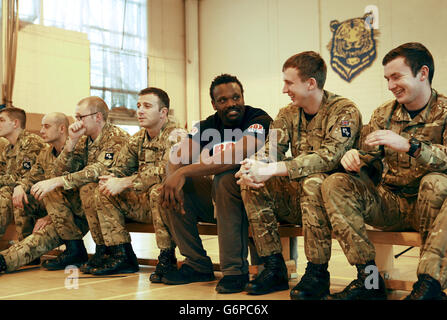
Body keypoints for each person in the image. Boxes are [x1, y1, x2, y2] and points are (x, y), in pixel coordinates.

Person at [321, 42, 447, 300]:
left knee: (435, 183)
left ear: (423, 73)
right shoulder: (383, 114)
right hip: (392, 203)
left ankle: (429, 286)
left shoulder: (444, 112)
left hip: (434, 206)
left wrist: (409, 145)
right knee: (334, 183)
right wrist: (355, 158)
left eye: (397, 76)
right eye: (387, 78)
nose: (390, 86)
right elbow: (370, 157)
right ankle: (368, 281)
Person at [236, 51, 362, 298]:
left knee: (314, 182)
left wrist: (271, 169)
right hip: (300, 197)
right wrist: (252, 167)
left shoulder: (344, 111)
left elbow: (329, 157)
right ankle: (274, 268)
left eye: (289, 82)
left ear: (310, 83)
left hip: (336, 199)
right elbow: (271, 150)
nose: (284, 89)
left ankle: (317, 273)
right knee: (252, 184)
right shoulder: (287, 114)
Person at [157, 74, 272, 294]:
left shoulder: (258, 118)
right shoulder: (207, 125)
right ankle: (197, 264)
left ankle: (234, 271)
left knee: (224, 179)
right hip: (222, 204)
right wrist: (173, 177)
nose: (231, 104)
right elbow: (179, 156)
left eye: (236, 97)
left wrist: (184, 172)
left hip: (256, 201)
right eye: (223, 100)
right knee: (170, 189)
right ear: (214, 104)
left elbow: (236, 155)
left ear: (243, 97)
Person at [84, 87, 186, 276]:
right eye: (138, 106)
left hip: (173, 203)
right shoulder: (137, 138)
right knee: (100, 190)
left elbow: (167, 172)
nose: (140, 111)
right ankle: (120, 254)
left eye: (147, 106)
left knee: (158, 189)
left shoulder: (177, 136)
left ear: (163, 112)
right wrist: (111, 178)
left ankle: (167, 258)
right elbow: (119, 167)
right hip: (143, 203)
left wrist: (125, 182)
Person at [31, 96, 129, 271]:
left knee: (88, 187)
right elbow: (57, 172)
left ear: (97, 117)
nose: (76, 123)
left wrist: (58, 181)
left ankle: (111, 251)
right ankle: (75, 248)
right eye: (75, 117)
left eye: (80, 117)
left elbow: (97, 171)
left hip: (119, 194)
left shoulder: (116, 137)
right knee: (53, 189)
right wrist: (72, 142)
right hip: (93, 197)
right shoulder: (83, 140)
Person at [0, 112, 90, 273]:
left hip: (76, 215)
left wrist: (50, 215)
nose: (41, 130)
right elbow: (32, 176)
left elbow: (83, 186)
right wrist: (21, 186)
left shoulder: (81, 148)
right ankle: (9, 259)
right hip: (55, 210)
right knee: (23, 196)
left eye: (46, 126)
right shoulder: (46, 153)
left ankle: (5, 261)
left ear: (62, 129)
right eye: (41, 126)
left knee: (39, 240)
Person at [0, 107, 46, 240]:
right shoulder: (8, 148)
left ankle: (25, 244)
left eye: (2, 120)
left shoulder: (31, 142)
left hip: (42, 194)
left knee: (6, 193)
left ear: (15, 123)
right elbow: (5, 176)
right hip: (19, 190)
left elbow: (25, 177)